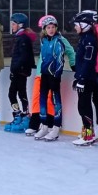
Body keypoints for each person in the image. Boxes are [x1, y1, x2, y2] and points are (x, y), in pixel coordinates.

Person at [34, 14, 75, 142]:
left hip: (55, 75)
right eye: (48, 27)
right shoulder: (44, 40)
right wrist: (40, 71)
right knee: (42, 99)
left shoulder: (60, 40)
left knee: (56, 100)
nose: (51, 30)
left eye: (53, 27)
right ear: (44, 29)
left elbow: (65, 56)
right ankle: (44, 125)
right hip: (44, 74)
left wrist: (72, 66)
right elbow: (43, 57)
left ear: (56, 28)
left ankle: (56, 127)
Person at [71, 10, 98, 146]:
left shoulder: (90, 40)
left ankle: (88, 135)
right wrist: (78, 77)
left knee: (85, 105)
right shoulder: (83, 38)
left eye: (76, 24)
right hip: (83, 77)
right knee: (81, 106)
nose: (75, 27)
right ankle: (87, 131)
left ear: (84, 25)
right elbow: (81, 61)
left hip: (88, 78)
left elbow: (88, 61)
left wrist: (82, 79)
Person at [4, 13, 36, 133]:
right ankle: (22, 115)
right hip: (21, 71)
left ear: (20, 25)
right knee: (20, 93)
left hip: (20, 71)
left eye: (13, 24)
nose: (11, 26)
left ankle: (21, 115)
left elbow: (23, 57)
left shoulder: (23, 38)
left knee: (13, 94)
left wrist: (14, 70)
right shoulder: (21, 37)